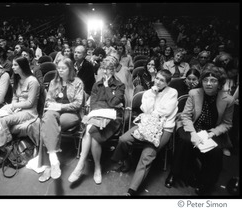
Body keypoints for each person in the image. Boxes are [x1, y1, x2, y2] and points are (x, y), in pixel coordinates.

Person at [165, 66, 234, 195]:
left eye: (213, 80)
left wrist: (212, 133)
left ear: (219, 83)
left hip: (211, 130)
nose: (208, 83)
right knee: (185, 141)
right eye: (205, 80)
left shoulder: (228, 100)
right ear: (201, 81)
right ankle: (174, 173)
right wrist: (193, 134)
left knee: (217, 150)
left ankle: (206, 182)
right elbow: (185, 116)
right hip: (191, 125)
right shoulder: (194, 93)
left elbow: (227, 123)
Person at [111, 69, 178, 196]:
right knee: (123, 139)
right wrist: (153, 95)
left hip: (164, 128)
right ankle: (125, 160)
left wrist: (152, 112)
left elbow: (166, 111)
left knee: (147, 155)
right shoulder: (148, 92)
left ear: (168, 83)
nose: (158, 82)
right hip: (146, 124)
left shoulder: (173, 92)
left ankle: (132, 191)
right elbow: (146, 109)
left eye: (162, 80)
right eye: (157, 78)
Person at [68, 56, 125, 185]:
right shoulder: (96, 84)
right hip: (97, 115)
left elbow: (114, 102)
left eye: (109, 69)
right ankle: (94, 167)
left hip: (113, 118)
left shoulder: (120, 85)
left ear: (114, 70)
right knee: (90, 130)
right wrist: (104, 107)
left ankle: (83, 166)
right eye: (104, 68)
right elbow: (93, 104)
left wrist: (106, 87)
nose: (105, 72)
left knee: (90, 131)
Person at [0, 56, 40, 170]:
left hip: (29, 112)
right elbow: (15, 98)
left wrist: (13, 106)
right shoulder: (17, 79)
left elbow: (30, 103)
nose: (13, 67)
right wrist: (11, 108)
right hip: (17, 109)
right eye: (13, 65)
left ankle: (5, 152)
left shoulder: (33, 81)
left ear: (23, 66)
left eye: (16, 65)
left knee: (1, 121)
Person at [38, 58, 84, 182]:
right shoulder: (54, 82)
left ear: (70, 69)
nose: (60, 70)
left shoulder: (77, 82)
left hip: (71, 113)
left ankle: (48, 164)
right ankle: (53, 162)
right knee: (48, 121)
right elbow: (48, 100)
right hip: (54, 112)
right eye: (58, 68)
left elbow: (78, 104)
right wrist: (54, 106)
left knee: (47, 127)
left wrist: (60, 106)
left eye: (63, 68)